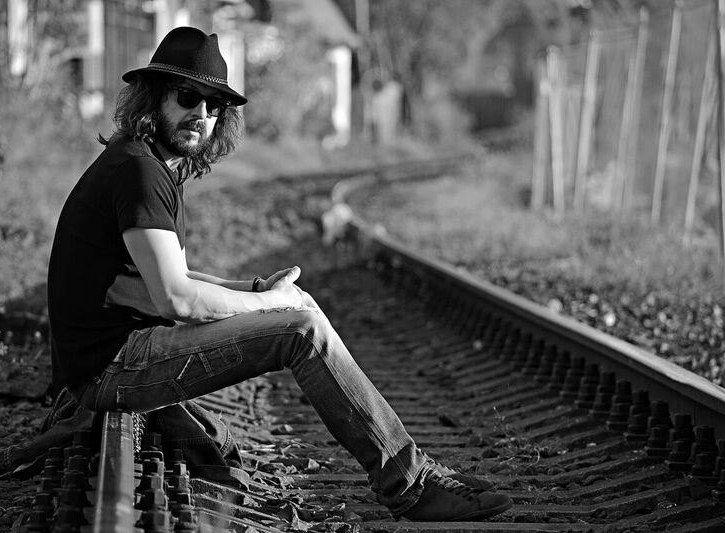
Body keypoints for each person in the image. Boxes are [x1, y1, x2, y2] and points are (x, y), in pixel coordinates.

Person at [47, 26, 512, 521]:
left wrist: (254, 291)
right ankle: (411, 486)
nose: (201, 114)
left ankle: (414, 470)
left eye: (214, 105)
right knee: (302, 332)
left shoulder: (144, 164)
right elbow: (177, 299)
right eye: (187, 97)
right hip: (112, 369)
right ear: (154, 96)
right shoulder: (139, 172)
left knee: (297, 314)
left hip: (111, 360)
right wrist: (271, 307)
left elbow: (170, 275)